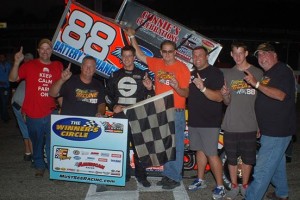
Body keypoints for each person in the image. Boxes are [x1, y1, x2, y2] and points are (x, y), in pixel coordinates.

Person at [125, 27, 190, 189]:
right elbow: (139, 55)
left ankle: (174, 177)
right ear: (161, 52)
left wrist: (176, 87)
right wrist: (132, 36)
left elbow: (186, 93)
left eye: (170, 51)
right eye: (165, 52)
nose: (168, 54)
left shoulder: (182, 68)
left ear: (175, 52)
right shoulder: (158, 63)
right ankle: (168, 174)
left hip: (176, 111)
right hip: (161, 111)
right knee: (166, 144)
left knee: (177, 145)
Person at [244, 43, 296, 200]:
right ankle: (282, 193)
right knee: (277, 164)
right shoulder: (269, 74)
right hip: (269, 129)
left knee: (262, 170)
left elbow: (281, 95)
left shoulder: (283, 71)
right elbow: (264, 100)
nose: (261, 58)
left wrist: (256, 84)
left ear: (275, 55)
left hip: (278, 130)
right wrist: (260, 124)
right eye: (259, 55)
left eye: (265, 53)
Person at [9, 39, 63, 178]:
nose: (45, 51)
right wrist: (16, 62)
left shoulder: (58, 65)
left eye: (48, 48)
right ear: (38, 51)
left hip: (52, 111)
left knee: (52, 143)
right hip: (33, 112)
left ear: (52, 51)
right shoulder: (30, 65)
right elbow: (12, 78)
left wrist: (62, 107)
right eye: (42, 48)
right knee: (37, 142)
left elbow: (60, 89)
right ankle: (39, 165)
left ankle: (53, 168)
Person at [105, 45, 154, 187]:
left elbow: (151, 97)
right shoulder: (115, 75)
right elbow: (107, 95)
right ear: (121, 58)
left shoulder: (143, 74)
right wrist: (113, 106)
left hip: (138, 117)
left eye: (129, 56)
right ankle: (124, 174)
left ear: (134, 57)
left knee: (140, 148)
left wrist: (150, 88)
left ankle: (141, 176)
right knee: (121, 147)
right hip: (120, 117)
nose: (126, 58)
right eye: (124, 56)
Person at [220, 42, 263, 199]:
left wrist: (260, 124)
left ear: (246, 53)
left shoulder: (258, 72)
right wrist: (225, 94)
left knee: (248, 159)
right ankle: (233, 186)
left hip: (250, 125)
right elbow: (226, 102)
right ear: (231, 55)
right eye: (234, 53)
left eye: (241, 53)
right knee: (231, 159)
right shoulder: (227, 74)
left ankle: (244, 186)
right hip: (231, 124)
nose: (238, 56)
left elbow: (261, 102)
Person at [186, 46, 226, 199]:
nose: (197, 58)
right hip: (195, 120)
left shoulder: (215, 73)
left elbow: (219, 97)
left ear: (207, 56)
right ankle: (200, 180)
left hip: (210, 122)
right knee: (200, 151)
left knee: (211, 154)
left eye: (200, 55)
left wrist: (203, 88)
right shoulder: (191, 74)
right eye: (194, 55)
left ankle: (220, 186)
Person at [11, 51, 34, 162]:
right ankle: (34, 157)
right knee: (30, 130)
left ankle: (27, 153)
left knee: (25, 129)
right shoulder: (31, 75)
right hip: (21, 105)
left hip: (15, 103)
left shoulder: (25, 74)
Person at [0, 53, 12, 123]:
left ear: (5, 58)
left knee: (5, 102)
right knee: (3, 101)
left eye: (2, 57)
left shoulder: (8, 64)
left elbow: (11, 73)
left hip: (7, 86)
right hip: (0, 87)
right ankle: (5, 117)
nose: (1, 58)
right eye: (0, 57)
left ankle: (3, 114)